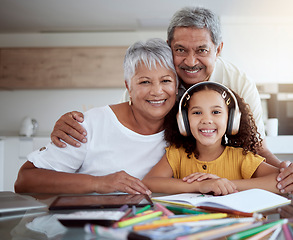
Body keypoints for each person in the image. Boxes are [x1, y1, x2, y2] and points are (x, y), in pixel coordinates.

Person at [49, 6, 293, 194]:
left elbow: (255, 145)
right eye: (180, 50)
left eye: (202, 50)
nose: (190, 61)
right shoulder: (155, 76)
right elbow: (127, 120)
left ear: (218, 49)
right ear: (169, 46)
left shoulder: (238, 82)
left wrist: (287, 174)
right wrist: (82, 123)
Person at [14, 38, 178, 195]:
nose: (157, 91)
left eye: (166, 81)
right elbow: (25, 180)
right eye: (144, 82)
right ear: (128, 86)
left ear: (176, 86)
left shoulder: (188, 127)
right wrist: (99, 183)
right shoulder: (91, 124)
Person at [143, 82, 280, 195]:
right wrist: (201, 185)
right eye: (197, 112)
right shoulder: (177, 154)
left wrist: (223, 184)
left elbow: (279, 180)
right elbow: (149, 182)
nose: (207, 120)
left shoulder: (242, 158)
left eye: (216, 112)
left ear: (231, 120)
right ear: (184, 121)